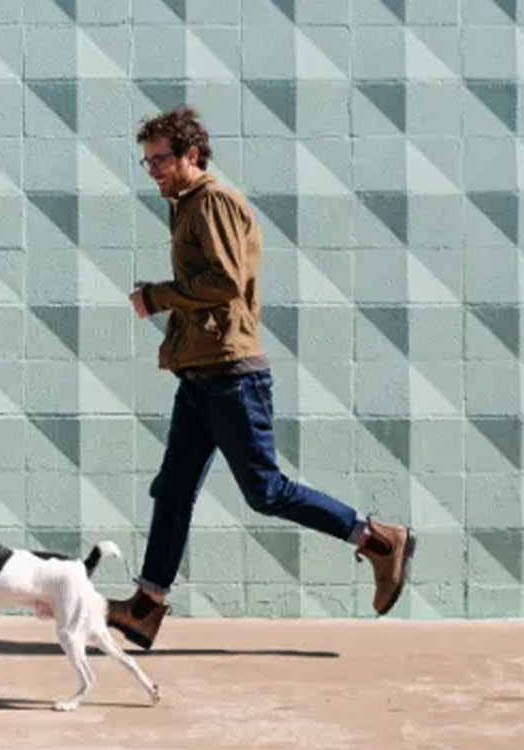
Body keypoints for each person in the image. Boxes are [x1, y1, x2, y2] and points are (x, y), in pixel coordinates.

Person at [116, 105, 416, 650]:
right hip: (201, 374)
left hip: (231, 375)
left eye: (162, 158)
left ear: (192, 154)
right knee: (174, 488)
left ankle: (377, 539)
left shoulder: (213, 202)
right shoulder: (186, 206)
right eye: (147, 161)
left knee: (266, 492)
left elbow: (225, 281)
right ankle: (144, 607)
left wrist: (156, 296)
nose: (154, 169)